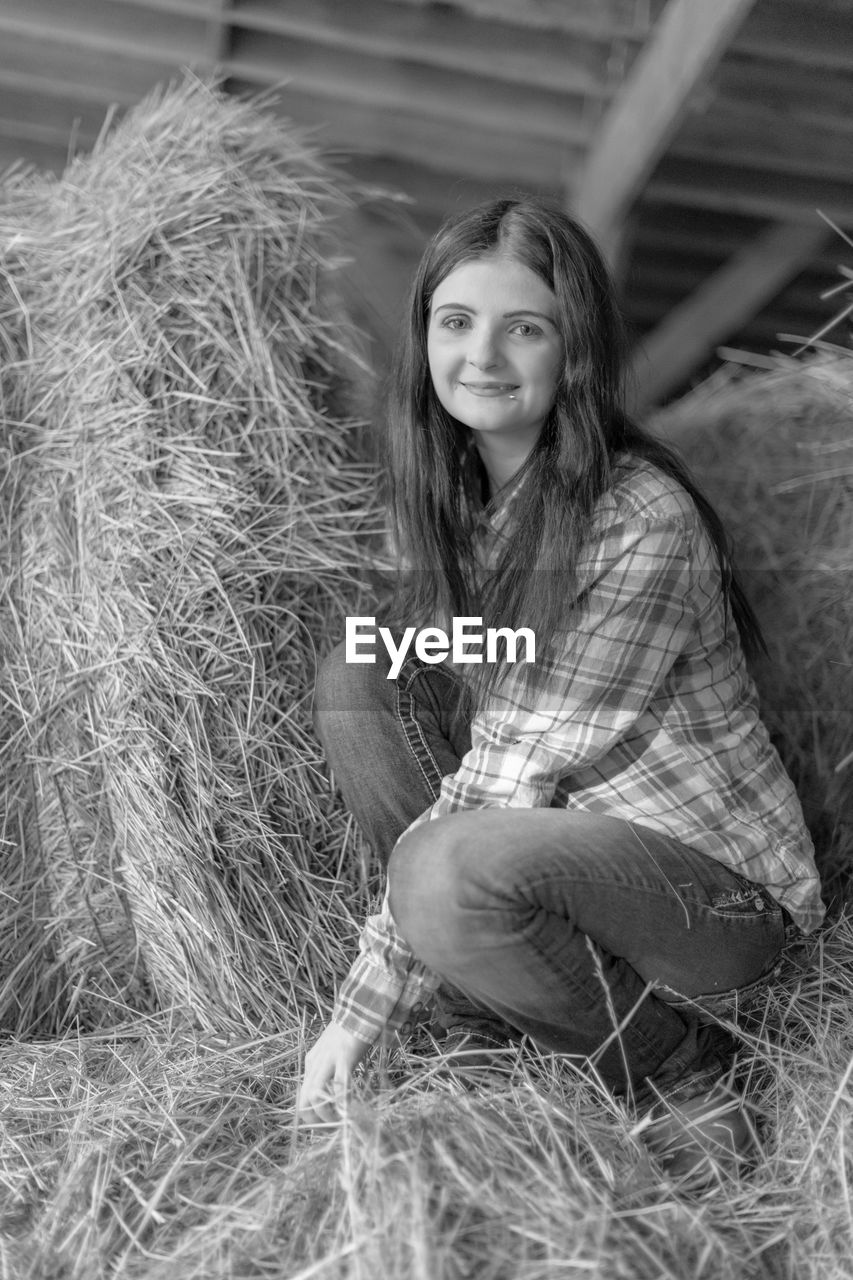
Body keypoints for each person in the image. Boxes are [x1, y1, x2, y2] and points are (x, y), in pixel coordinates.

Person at [297, 196, 824, 1177]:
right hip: (556, 858)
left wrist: (359, 1010)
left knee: (444, 873)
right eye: (456, 322)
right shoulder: (457, 511)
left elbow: (514, 761)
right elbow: (443, 705)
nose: (483, 355)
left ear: (572, 347)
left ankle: (682, 1070)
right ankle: (500, 987)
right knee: (360, 671)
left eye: (523, 326)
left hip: (707, 907)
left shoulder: (640, 519)